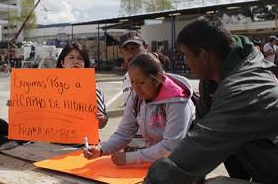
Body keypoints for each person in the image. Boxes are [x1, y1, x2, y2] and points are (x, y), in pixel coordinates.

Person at [144, 15, 278, 184]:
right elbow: (198, 129)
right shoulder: (214, 79)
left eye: (186, 55)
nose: (185, 61)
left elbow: (202, 143)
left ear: (204, 55)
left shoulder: (244, 89)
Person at [83, 53, 195, 166]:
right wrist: (101, 149)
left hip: (183, 165)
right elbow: (123, 133)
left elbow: (170, 147)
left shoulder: (178, 102)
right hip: (157, 164)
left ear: (158, 79)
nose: (136, 88)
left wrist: (130, 158)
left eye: (142, 82)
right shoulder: (136, 97)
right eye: (132, 82)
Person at [56, 42, 108, 129]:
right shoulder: (50, 87)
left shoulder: (93, 87)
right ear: (62, 63)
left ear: (85, 64)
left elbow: (102, 121)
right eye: (71, 58)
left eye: (80, 58)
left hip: (84, 141)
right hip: (53, 141)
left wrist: (102, 120)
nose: (76, 61)